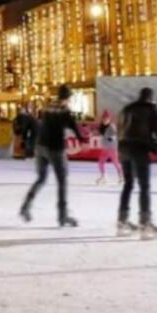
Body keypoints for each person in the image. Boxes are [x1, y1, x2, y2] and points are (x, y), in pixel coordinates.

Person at [20, 85, 85, 227]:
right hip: (55, 148)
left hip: (40, 147)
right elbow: (73, 126)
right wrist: (81, 139)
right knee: (62, 181)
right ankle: (62, 215)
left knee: (41, 178)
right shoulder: (64, 110)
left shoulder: (48, 107)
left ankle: (26, 206)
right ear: (67, 98)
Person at [118, 88, 157, 239]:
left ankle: (122, 221)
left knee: (128, 184)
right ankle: (145, 223)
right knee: (144, 186)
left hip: (123, 149)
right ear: (151, 98)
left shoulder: (127, 109)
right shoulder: (151, 109)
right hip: (139, 149)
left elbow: (120, 129)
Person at [96, 109, 122, 185]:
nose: (105, 120)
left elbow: (115, 135)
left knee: (116, 163)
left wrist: (111, 138)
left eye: (106, 119)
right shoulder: (101, 126)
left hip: (112, 148)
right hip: (105, 148)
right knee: (101, 162)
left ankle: (121, 177)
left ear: (109, 119)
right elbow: (100, 133)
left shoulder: (112, 127)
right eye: (104, 118)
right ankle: (103, 177)